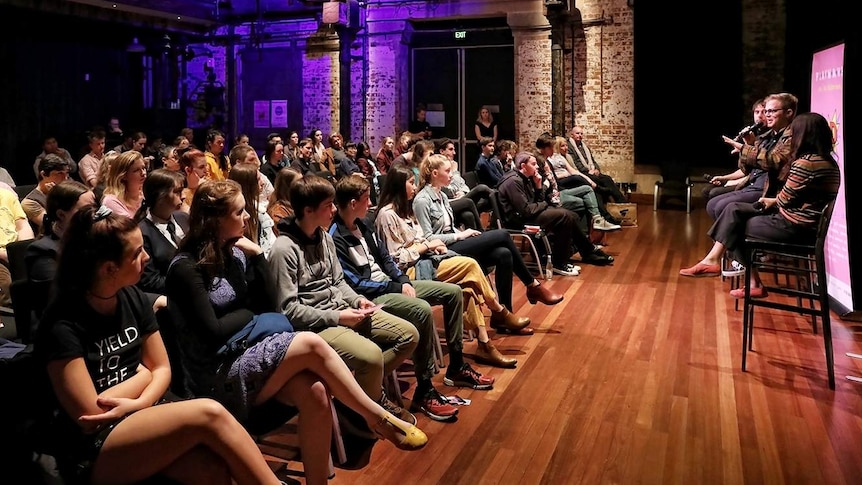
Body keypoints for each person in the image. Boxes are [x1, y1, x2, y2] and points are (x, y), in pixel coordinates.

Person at [165, 180, 427, 484]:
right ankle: (375, 416)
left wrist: (256, 258)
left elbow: (265, 306)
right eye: (239, 212)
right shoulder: (186, 268)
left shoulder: (235, 255)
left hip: (246, 351)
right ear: (215, 220)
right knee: (309, 342)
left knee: (315, 391)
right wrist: (250, 316)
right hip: (216, 373)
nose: (248, 217)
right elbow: (214, 330)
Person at [36, 204, 285, 485]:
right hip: (94, 443)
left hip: (143, 409)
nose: (146, 258)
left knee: (210, 468)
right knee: (210, 412)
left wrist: (140, 397)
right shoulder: (62, 322)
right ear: (109, 268)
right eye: (136, 254)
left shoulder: (134, 298)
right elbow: (90, 412)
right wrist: (144, 375)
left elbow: (163, 369)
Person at [331, 175, 492, 420]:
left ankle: (456, 366)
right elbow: (352, 283)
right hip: (370, 296)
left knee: (453, 292)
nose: (371, 203)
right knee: (421, 310)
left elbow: (386, 259)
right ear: (353, 203)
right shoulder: (336, 236)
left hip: (391, 284)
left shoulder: (364, 224)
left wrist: (403, 281)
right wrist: (396, 287)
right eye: (366, 200)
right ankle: (425, 389)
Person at [267, 175, 421, 420]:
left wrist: (357, 300)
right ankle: (371, 411)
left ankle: (354, 397)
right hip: (315, 327)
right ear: (308, 210)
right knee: (370, 356)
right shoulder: (283, 250)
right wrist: (338, 317)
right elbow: (288, 310)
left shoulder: (325, 237)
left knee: (409, 335)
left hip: (342, 309)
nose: (333, 210)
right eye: (328, 205)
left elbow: (338, 282)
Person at [377, 166, 549, 344]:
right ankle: (501, 310)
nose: (414, 187)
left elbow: (422, 239)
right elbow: (396, 259)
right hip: (413, 269)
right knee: (478, 257)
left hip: (431, 256)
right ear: (398, 185)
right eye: (411, 183)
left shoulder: (411, 209)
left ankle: (486, 341)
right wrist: (431, 244)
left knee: (496, 260)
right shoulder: (390, 214)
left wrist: (433, 246)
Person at [682, 112, 840, 297]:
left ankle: (744, 276)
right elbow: (793, 197)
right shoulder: (829, 162)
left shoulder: (807, 163)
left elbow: (785, 200)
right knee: (733, 210)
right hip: (799, 222)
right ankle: (718, 262)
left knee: (735, 224)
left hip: (794, 227)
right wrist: (773, 200)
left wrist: (772, 200)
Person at [412, 155, 570, 302]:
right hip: (442, 250)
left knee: (504, 253)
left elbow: (450, 227)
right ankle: (532, 285)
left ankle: (504, 314)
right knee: (502, 235)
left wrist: (462, 234)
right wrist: (460, 236)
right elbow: (429, 238)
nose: (451, 175)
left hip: (453, 241)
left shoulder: (442, 195)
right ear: (434, 173)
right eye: (447, 171)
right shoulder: (422, 200)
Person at [681, 93, 797, 277]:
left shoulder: (792, 137)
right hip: (755, 184)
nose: (765, 115)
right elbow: (747, 168)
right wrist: (748, 145)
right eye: (763, 111)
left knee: (726, 208)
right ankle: (741, 267)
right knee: (714, 204)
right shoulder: (769, 135)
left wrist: (746, 148)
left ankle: (724, 260)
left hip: (770, 192)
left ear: (789, 113)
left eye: (771, 111)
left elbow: (774, 161)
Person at [497, 152, 615, 273]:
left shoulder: (525, 178)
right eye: (533, 164)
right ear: (523, 166)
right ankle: (561, 262)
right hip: (518, 221)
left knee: (571, 215)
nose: (537, 166)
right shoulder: (513, 181)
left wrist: (538, 187)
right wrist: (544, 204)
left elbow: (535, 202)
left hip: (529, 214)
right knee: (564, 216)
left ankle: (585, 252)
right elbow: (526, 210)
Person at [25, 181, 95, 281]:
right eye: (86, 210)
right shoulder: (42, 252)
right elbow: (58, 292)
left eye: (95, 207)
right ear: (61, 215)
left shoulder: (98, 237)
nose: (93, 214)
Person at [703, 98, 767, 201]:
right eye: (757, 112)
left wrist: (746, 147)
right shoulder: (756, 136)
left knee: (714, 193)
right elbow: (745, 169)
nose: (759, 116)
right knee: (707, 191)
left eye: (764, 112)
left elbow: (759, 170)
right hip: (748, 179)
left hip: (756, 184)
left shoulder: (768, 139)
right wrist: (724, 178)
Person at [137, 169, 188, 295]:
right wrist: (190, 282)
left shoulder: (184, 218)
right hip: (173, 297)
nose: (183, 196)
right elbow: (150, 281)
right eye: (177, 192)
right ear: (160, 196)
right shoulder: (142, 233)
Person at [566, 126, 627, 203]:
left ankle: (621, 201)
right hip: (581, 172)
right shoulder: (569, 147)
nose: (580, 135)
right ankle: (607, 201)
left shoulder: (584, 146)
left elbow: (592, 160)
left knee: (607, 178)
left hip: (591, 170)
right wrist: (588, 170)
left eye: (581, 133)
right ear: (572, 135)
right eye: (577, 133)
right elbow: (576, 162)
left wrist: (596, 169)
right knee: (597, 180)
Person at [22, 154, 71, 233]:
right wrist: (55, 197)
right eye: (59, 174)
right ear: (44, 174)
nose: (65, 178)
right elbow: (54, 226)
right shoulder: (30, 202)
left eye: (67, 173)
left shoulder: (67, 190)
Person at [101, 150, 147, 218]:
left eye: (143, 168)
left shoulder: (146, 194)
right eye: (136, 170)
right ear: (124, 176)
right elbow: (131, 226)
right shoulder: (111, 201)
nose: (143, 173)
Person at [267, 167, 302, 233]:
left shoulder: (299, 202)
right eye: (299, 183)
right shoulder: (278, 213)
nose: (304, 186)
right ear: (287, 188)